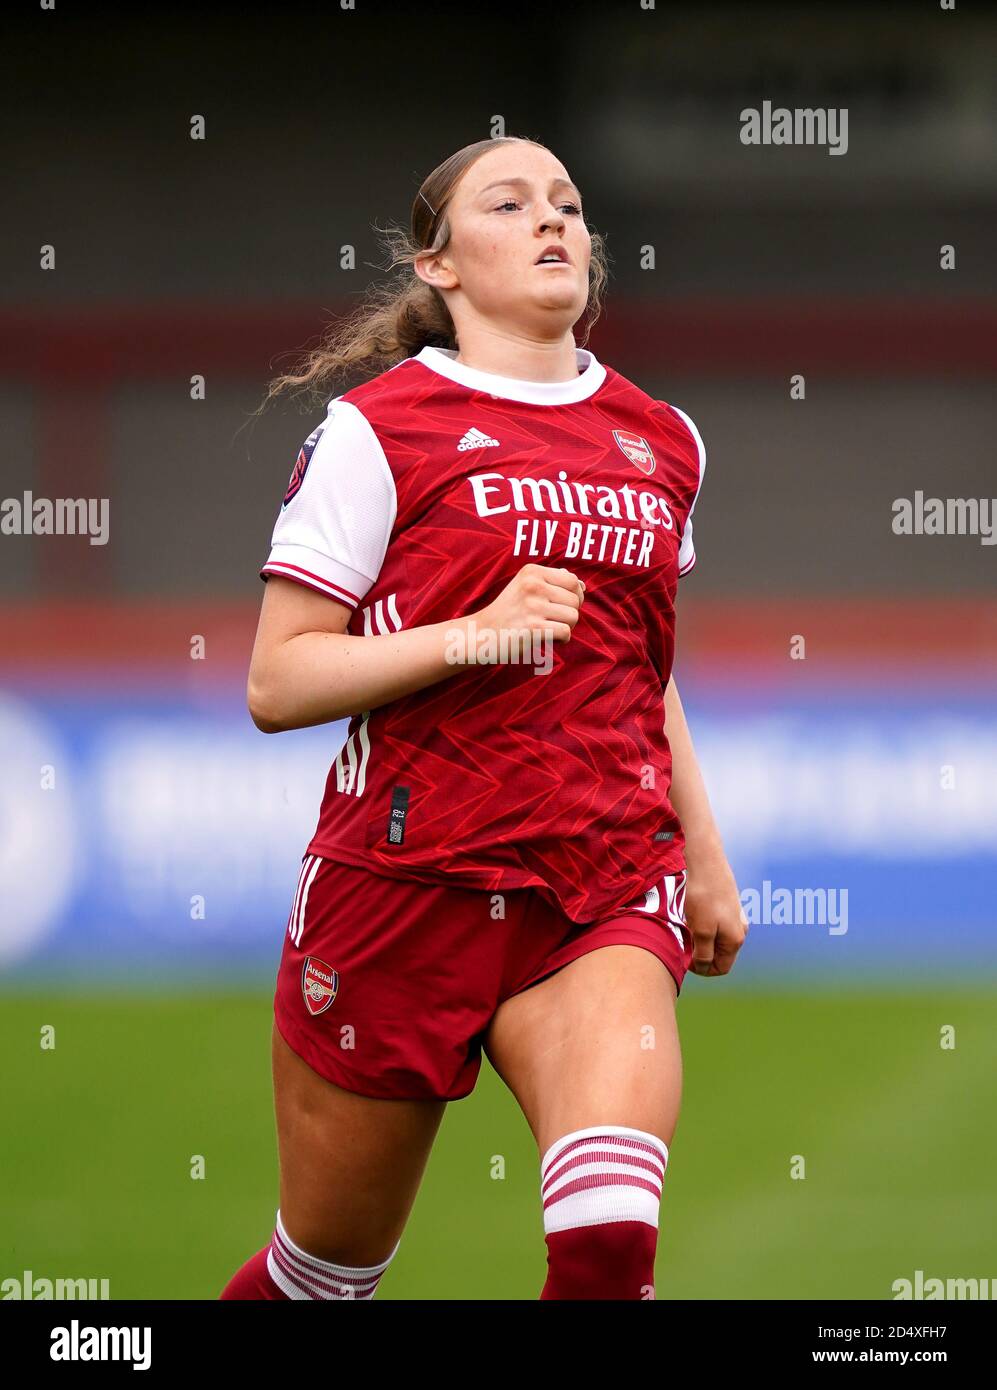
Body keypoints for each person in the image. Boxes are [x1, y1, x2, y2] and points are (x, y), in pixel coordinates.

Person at [220, 135, 747, 1302]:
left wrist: (700, 854)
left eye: (567, 204)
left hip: (601, 883)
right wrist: (471, 632)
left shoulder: (660, 440)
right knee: (323, 1276)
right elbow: (277, 682)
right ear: (439, 266)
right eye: (509, 204)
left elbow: (637, 664)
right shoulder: (378, 429)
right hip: (404, 890)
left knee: (609, 1249)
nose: (553, 221)